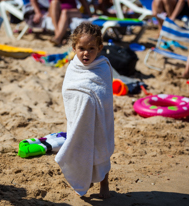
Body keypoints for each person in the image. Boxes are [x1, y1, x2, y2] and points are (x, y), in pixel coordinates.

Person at [55, 22, 114, 198]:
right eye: (81, 48)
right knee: (81, 149)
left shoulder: (103, 66)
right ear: (74, 47)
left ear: (100, 48)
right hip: (79, 118)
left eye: (91, 48)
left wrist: (91, 100)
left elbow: (104, 94)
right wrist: (84, 100)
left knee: (100, 149)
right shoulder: (73, 67)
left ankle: (105, 182)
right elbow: (67, 91)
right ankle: (85, 180)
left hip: (99, 120)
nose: (86, 53)